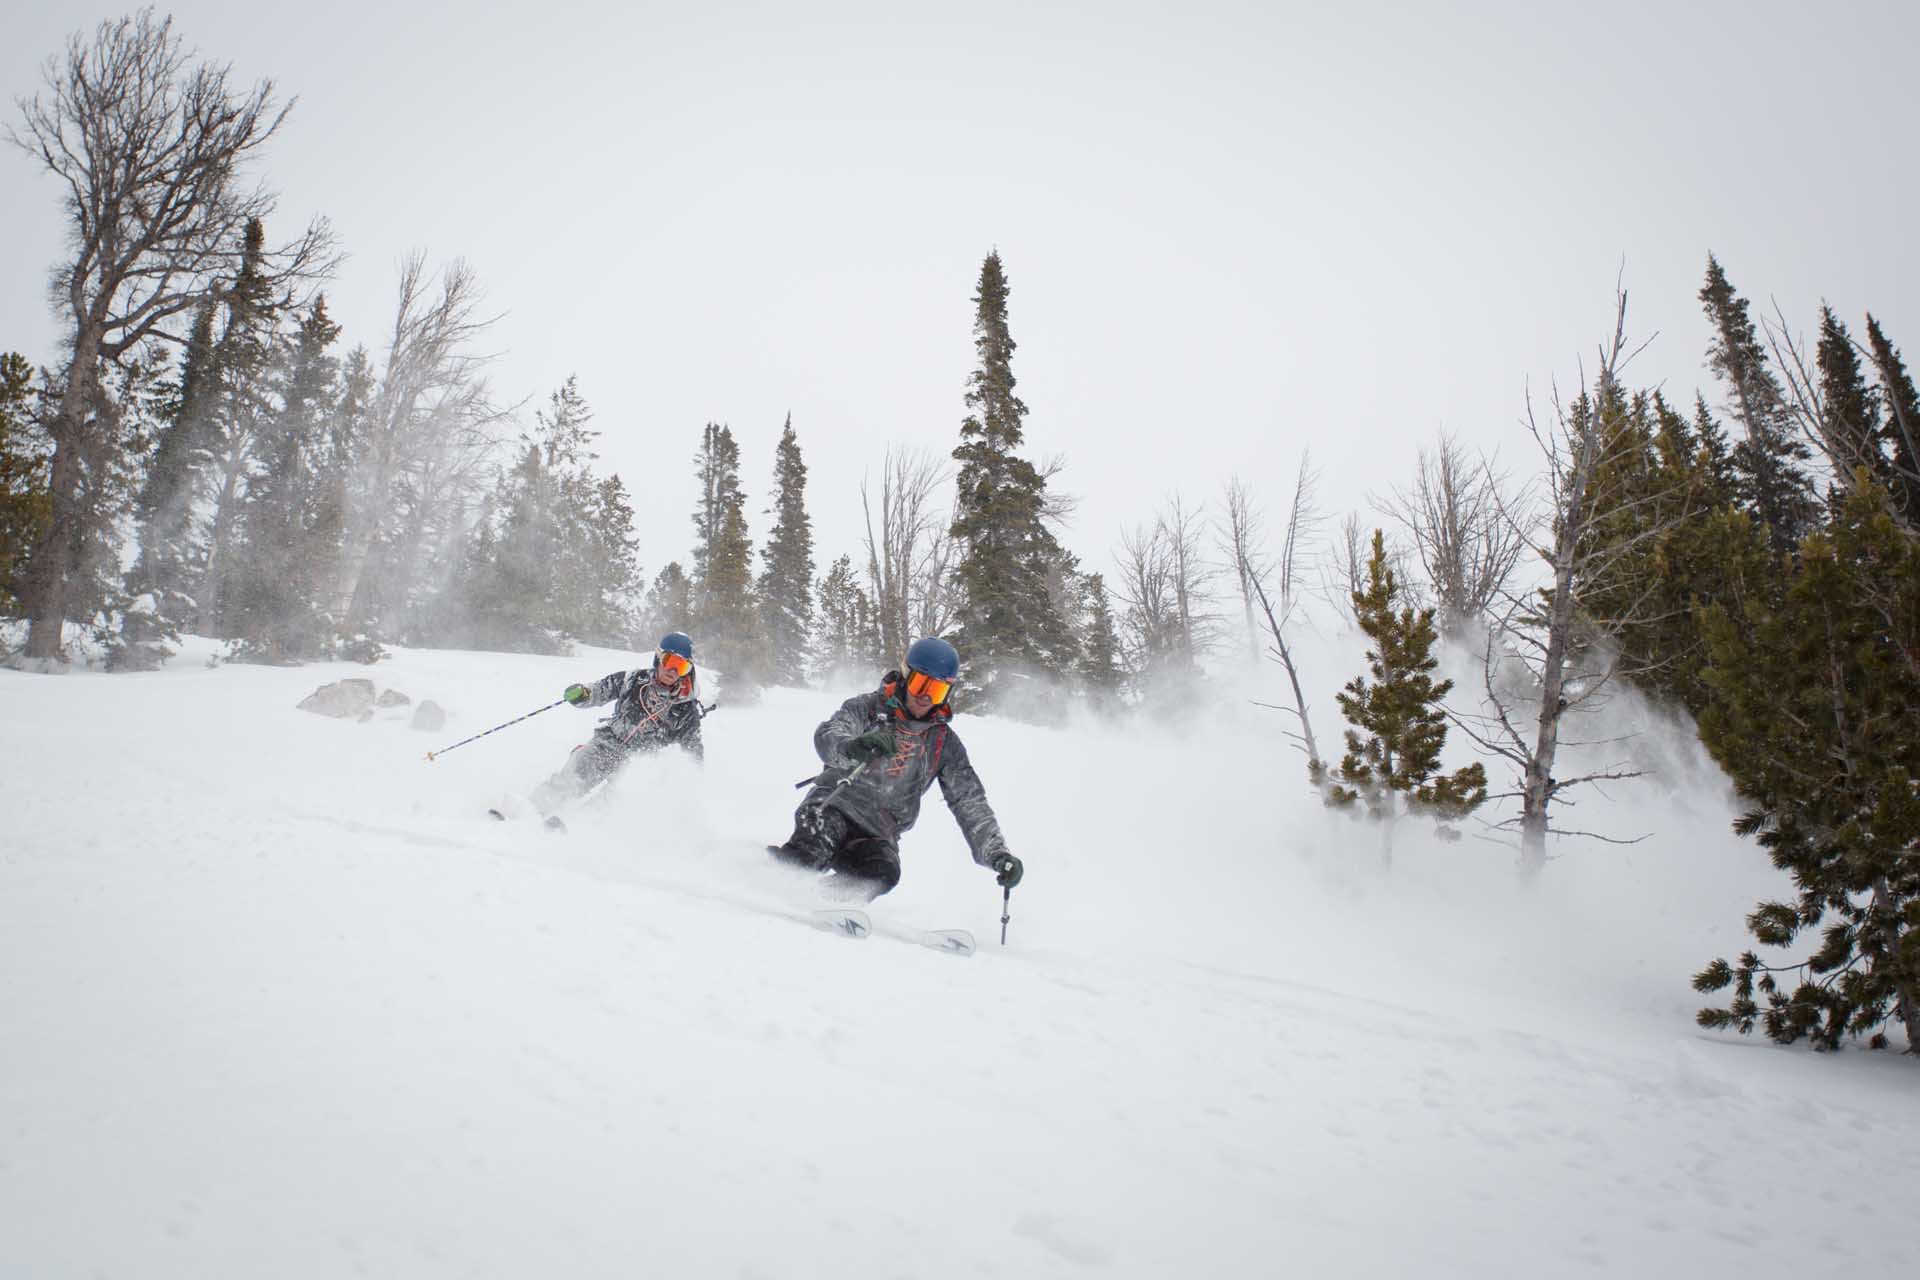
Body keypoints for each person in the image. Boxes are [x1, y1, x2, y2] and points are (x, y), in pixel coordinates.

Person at [771, 636, 1023, 902]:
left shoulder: (943, 743)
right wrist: (852, 747)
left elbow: (969, 802)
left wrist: (997, 854)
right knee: (812, 852)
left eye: (936, 690)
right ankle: (765, 880)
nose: (925, 697)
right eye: (920, 684)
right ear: (905, 677)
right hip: (833, 806)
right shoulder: (867, 709)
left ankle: (821, 902)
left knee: (883, 873)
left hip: (878, 832)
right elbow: (829, 734)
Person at [529, 631, 705, 815]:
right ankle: (532, 809)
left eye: (682, 666)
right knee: (574, 775)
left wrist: (688, 781)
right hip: (609, 743)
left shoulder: (685, 708)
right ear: (659, 657)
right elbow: (601, 689)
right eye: (670, 662)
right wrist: (583, 694)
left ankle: (579, 823)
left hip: (641, 761)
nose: (673, 671)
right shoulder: (634, 680)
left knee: (621, 794)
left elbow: (692, 751)